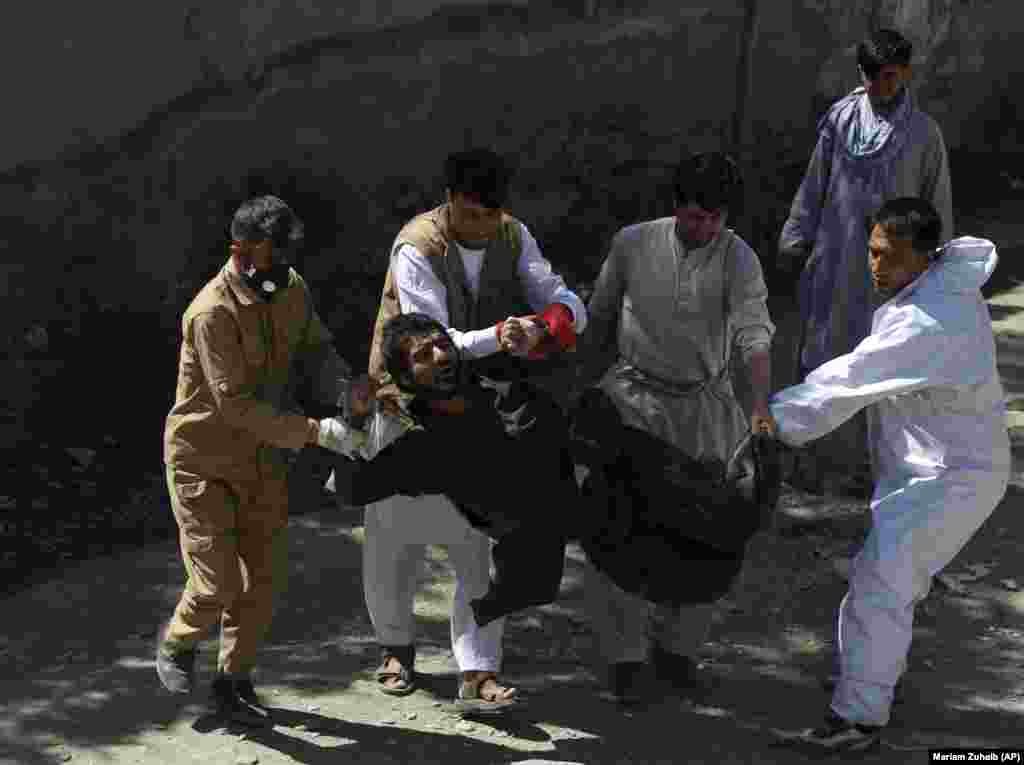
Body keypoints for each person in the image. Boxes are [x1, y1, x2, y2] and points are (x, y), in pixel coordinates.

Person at [771, 198, 1010, 753]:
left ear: (926, 258)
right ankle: (867, 689)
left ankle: (858, 720)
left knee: (880, 586)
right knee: (886, 584)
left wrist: (772, 420)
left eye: (891, 258)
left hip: (953, 478)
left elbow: (853, 378)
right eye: (873, 252)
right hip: (934, 469)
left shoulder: (931, 320)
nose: (876, 267)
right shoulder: (939, 286)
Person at [362, 148, 587, 712]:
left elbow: (564, 301)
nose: (484, 227)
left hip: (477, 409)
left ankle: (478, 669)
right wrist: (505, 334)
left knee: (481, 533)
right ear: (450, 200)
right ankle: (395, 645)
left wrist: (547, 326)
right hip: (406, 403)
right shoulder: (415, 247)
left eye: (492, 216)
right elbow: (432, 343)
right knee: (394, 532)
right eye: (472, 215)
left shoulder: (514, 235)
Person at [157, 196, 371, 726]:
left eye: (286, 254)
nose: (282, 265)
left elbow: (316, 350)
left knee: (261, 582)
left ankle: (234, 682)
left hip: (262, 458)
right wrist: (318, 432)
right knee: (216, 583)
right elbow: (233, 405)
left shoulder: (291, 289)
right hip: (202, 459)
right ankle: (178, 641)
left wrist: (348, 391)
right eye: (272, 255)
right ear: (241, 250)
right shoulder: (212, 312)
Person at [578, 150, 775, 702]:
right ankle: (626, 660)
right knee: (617, 529)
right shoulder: (632, 243)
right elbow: (599, 317)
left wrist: (758, 405)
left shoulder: (740, 259)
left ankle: (678, 653)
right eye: (692, 217)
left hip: (706, 412)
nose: (702, 229)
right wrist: (579, 392)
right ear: (674, 209)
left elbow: (754, 334)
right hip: (632, 403)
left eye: (713, 219)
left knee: (711, 533)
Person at [779, 28, 953, 494]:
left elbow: (936, 205)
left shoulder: (923, 135)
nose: (883, 88)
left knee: (881, 369)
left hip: (893, 276)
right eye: (874, 78)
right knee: (823, 360)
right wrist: (796, 237)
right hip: (834, 265)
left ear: (907, 74)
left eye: (892, 78)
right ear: (862, 74)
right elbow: (816, 185)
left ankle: (870, 472)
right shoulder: (838, 122)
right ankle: (809, 469)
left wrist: (939, 270)